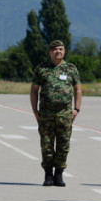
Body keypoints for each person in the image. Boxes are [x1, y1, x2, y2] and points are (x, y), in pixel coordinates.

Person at [30, 40, 82, 187]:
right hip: (46, 114)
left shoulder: (71, 69)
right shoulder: (42, 69)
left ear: (64, 51)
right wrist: (35, 111)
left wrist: (76, 109)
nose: (57, 51)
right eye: (54, 49)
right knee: (46, 145)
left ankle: (59, 174)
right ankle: (48, 174)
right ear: (49, 52)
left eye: (60, 49)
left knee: (63, 145)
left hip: (65, 114)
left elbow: (78, 89)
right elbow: (34, 90)